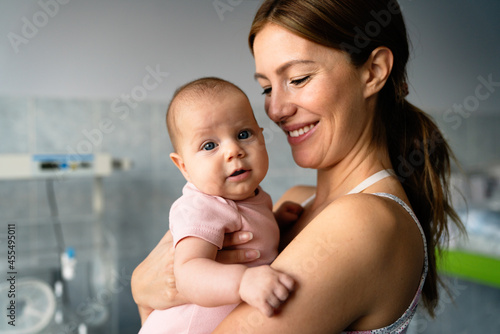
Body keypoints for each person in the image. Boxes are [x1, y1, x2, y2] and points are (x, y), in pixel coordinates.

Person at [132, 1, 464, 333]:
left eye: (298, 78)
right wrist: (144, 287)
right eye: (266, 87)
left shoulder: (364, 222)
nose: (275, 110)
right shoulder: (294, 203)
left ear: (374, 71)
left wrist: (143, 293)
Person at [138, 77, 299, 334]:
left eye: (243, 134)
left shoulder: (254, 197)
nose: (233, 150)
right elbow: (189, 275)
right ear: (183, 167)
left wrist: (276, 220)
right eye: (209, 145)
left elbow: (249, 234)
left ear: (261, 136)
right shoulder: (202, 206)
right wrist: (242, 281)